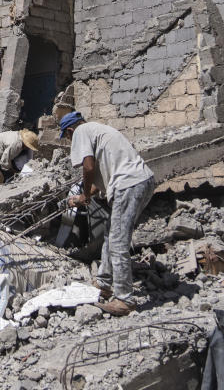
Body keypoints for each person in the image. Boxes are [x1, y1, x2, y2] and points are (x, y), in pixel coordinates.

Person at [60, 111, 156, 317]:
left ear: (70, 131)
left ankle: (124, 299)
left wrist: (84, 195)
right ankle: (103, 282)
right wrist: (83, 197)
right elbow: (98, 179)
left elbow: (88, 167)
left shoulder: (81, 132)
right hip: (141, 182)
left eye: (67, 138)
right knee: (111, 233)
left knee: (119, 240)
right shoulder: (99, 130)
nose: (70, 142)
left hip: (128, 185)